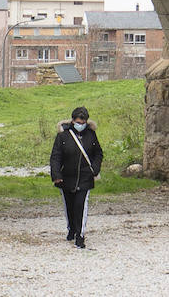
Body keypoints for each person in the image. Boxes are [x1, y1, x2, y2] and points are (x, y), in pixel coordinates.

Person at [49, 105, 103, 248]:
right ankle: (71, 229)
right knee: (69, 206)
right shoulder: (63, 136)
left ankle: (80, 235)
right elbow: (56, 157)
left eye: (83, 123)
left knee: (80, 205)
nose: (81, 125)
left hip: (85, 176)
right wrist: (56, 175)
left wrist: (95, 169)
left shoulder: (91, 135)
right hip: (66, 176)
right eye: (78, 122)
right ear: (73, 121)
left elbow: (98, 153)